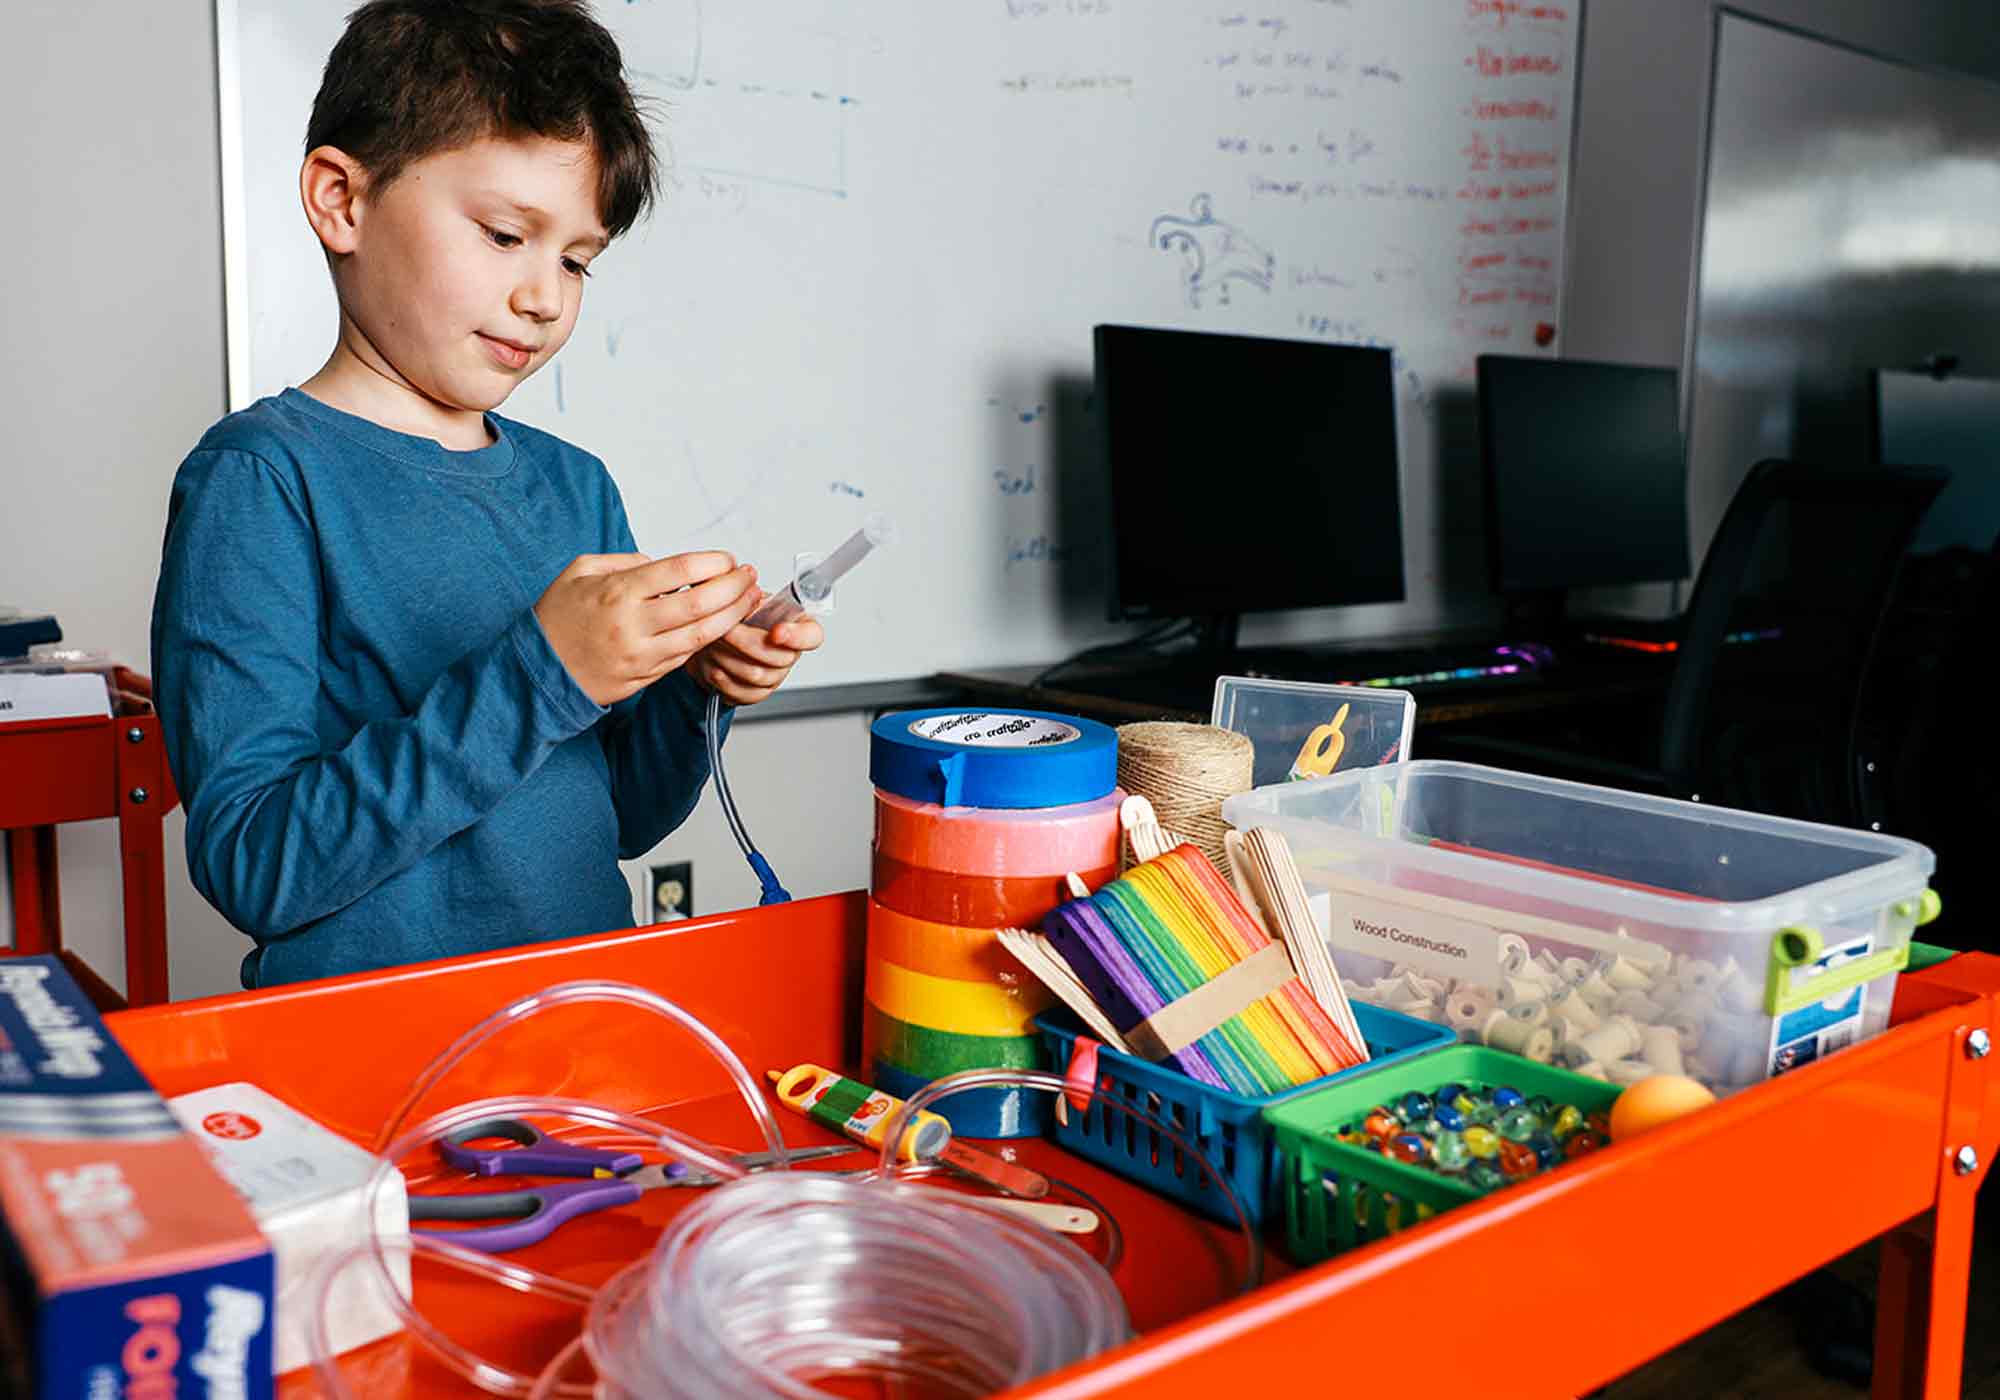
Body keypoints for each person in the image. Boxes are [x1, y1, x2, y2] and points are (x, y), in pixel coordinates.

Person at [151, 0, 820, 987]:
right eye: (506, 234)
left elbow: (622, 817)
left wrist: (695, 688)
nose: (544, 297)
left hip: (583, 1020)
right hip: (380, 1050)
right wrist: (543, 671)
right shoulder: (261, 480)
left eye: (576, 261)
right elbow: (255, 864)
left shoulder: (576, 485)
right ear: (342, 200)